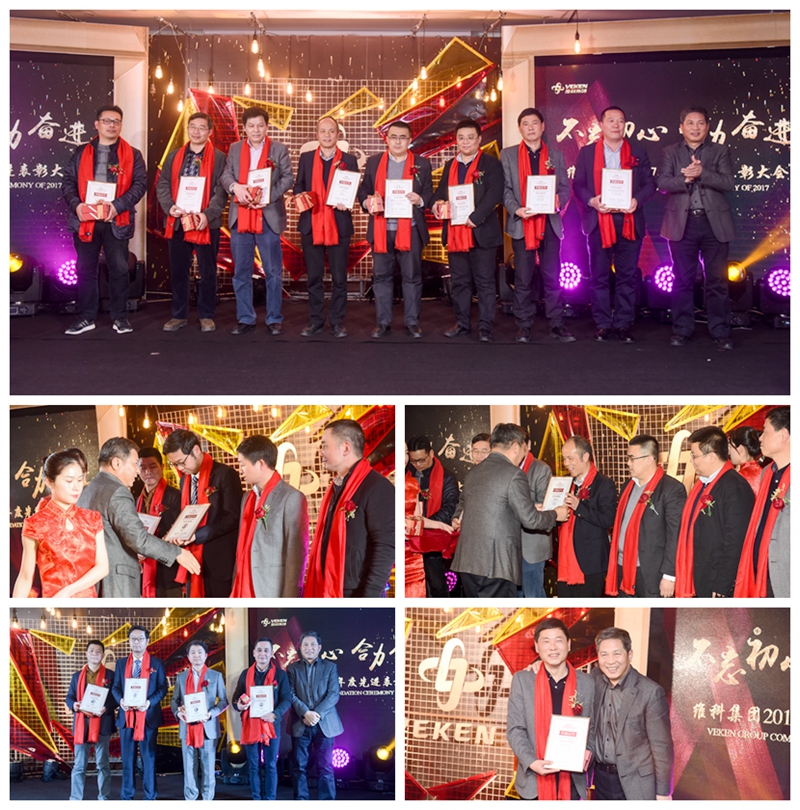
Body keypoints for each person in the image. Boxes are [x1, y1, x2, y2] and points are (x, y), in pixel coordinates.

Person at [451, 423, 567, 598]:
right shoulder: (513, 474)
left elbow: (495, 508)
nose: (523, 455)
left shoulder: (474, 472)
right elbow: (530, 520)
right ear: (515, 446)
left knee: (479, 612)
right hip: (495, 566)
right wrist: (556, 514)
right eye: (523, 449)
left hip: (467, 564)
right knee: (499, 612)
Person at [573, 106, 656, 343]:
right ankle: (602, 324)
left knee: (627, 277)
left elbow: (650, 184)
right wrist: (592, 201)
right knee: (599, 276)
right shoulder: (587, 153)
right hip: (599, 222)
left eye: (620, 121)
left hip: (629, 221)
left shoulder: (638, 151)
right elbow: (578, 184)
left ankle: (623, 324)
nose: (616, 125)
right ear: (601, 125)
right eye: (611, 120)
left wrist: (636, 200)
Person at [62, 104, 147, 335]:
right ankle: (86, 317)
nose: (112, 125)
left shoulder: (133, 154)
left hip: (116, 221)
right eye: (107, 121)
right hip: (85, 220)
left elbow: (140, 185)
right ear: (97, 124)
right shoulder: (81, 152)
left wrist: (116, 206)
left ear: (121, 125)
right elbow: (68, 182)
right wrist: (77, 205)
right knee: (85, 269)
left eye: (116, 121)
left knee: (119, 269)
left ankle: (120, 317)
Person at [77, 438, 199, 598]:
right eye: (135, 464)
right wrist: (177, 553)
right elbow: (138, 539)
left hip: (94, 579)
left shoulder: (87, 491)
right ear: (117, 463)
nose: (138, 471)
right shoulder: (117, 492)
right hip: (116, 581)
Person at [657, 106, 736, 350]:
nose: (695, 127)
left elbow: (728, 182)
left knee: (717, 280)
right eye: (690, 123)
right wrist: (686, 179)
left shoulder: (720, 151)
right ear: (681, 127)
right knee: (682, 279)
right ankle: (682, 330)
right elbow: (662, 183)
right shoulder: (670, 152)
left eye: (700, 123)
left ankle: (720, 331)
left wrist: (703, 172)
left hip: (714, 224)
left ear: (707, 127)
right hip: (683, 223)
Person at [501, 107, 575, 343]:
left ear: (543, 127)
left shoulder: (556, 155)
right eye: (525, 124)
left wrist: (558, 201)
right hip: (523, 224)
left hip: (549, 223)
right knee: (523, 278)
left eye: (535, 123)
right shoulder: (508, 155)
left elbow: (564, 188)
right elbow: (505, 189)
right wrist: (517, 209)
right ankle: (523, 325)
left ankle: (556, 323)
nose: (530, 127)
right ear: (519, 128)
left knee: (552, 276)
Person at [220, 106, 294, 335]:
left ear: (266, 126)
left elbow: (288, 178)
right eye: (251, 126)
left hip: (268, 215)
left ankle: (274, 318)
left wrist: (267, 196)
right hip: (240, 216)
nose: (256, 130)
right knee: (241, 272)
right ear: (244, 128)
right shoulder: (234, 149)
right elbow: (226, 175)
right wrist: (235, 187)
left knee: (273, 271)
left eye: (260, 125)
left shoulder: (278, 149)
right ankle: (245, 318)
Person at [357, 120, 433, 338]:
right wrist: (368, 202)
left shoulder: (422, 164)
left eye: (402, 137)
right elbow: (363, 190)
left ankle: (412, 322)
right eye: (393, 137)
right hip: (382, 229)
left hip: (411, 229)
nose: (397, 141)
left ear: (409, 140)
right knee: (381, 277)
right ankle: (383, 322)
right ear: (387, 139)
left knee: (412, 277)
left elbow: (429, 192)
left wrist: (420, 200)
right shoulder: (374, 162)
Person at [507, 617, 594, 800]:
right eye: (546, 641)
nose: (553, 647)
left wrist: (587, 753)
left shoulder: (587, 683)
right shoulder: (523, 680)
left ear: (568, 644)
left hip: (572, 782)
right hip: (533, 784)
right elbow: (515, 729)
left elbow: (593, 729)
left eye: (558, 640)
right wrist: (531, 762)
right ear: (537, 647)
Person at [304, 419, 394, 597]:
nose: (321, 452)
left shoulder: (377, 487)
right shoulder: (336, 487)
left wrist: (370, 597)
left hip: (358, 593)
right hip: (328, 588)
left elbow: (386, 546)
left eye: (325, 446)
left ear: (345, 448)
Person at [432, 119, 503, 342]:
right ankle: (462, 323)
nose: (465, 142)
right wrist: (437, 204)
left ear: (479, 139)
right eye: (461, 138)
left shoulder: (490, 164)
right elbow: (439, 193)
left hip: (481, 232)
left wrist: (476, 217)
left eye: (470, 137)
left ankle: (485, 327)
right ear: (456, 140)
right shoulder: (450, 165)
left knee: (484, 282)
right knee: (460, 282)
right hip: (456, 234)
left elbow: (495, 193)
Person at [157, 111, 228, 333]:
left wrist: (208, 214)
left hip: (206, 222)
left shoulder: (219, 158)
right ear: (188, 129)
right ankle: (179, 315)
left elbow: (221, 191)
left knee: (208, 271)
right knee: (179, 270)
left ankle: (206, 315)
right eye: (192, 127)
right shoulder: (174, 156)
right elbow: (163, 184)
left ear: (210, 132)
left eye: (201, 128)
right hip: (178, 221)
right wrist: (170, 207)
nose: (196, 131)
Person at [294, 116, 360, 338]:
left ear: (338, 134)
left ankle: (337, 321)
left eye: (331, 131)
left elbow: (353, 189)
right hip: (311, 224)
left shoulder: (349, 160)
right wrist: (301, 196)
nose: (327, 135)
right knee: (314, 277)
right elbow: (298, 185)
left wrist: (347, 201)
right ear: (317, 134)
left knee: (339, 278)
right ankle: (316, 321)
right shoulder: (306, 158)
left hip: (338, 224)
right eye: (323, 131)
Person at [591, 627, 673, 800]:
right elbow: (568, 676)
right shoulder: (595, 679)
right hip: (600, 780)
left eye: (617, 654)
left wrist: (664, 793)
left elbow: (662, 748)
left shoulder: (650, 692)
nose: (610, 661)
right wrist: (539, 664)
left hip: (636, 783)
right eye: (604, 654)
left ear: (630, 654)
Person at [14, 448, 108, 598]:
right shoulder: (35, 524)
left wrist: (68, 591)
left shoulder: (92, 519)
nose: (76, 487)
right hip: (52, 603)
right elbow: (25, 577)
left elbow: (103, 567)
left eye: (80, 480)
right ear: (49, 482)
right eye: (69, 481)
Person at [674, 426, 754, 597]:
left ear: (711, 456)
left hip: (715, 579)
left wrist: (723, 583)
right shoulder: (702, 484)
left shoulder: (734, 486)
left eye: (694, 455)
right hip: (698, 573)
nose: (691, 461)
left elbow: (735, 541)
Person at [163, 429, 243, 597]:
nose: (180, 468)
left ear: (196, 450)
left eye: (181, 462)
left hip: (219, 562)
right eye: (175, 464)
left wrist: (197, 535)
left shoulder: (225, 474)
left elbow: (233, 517)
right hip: (193, 560)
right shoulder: (185, 480)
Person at [605, 435, 687, 598]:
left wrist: (669, 575)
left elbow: (675, 536)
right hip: (622, 567)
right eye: (628, 458)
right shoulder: (628, 486)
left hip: (651, 573)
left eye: (632, 458)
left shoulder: (671, 489)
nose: (628, 463)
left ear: (649, 459)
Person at [231, 434, 308, 597]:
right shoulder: (247, 498)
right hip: (243, 587)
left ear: (260, 464)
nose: (240, 470)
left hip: (272, 589)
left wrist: (290, 600)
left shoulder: (291, 497)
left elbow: (297, 556)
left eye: (242, 465)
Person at [735, 406, 790, 598]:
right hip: (762, 572)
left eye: (765, 431)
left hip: (786, 575)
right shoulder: (767, 472)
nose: (760, 438)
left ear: (783, 435)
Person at [111, 626, 167, 801]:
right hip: (126, 717)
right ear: (129, 641)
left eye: (140, 638)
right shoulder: (121, 664)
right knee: (127, 760)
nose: (136, 642)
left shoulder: (156, 664)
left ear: (147, 641)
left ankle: (150, 796)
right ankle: (127, 796)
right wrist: (121, 701)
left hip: (148, 717)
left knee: (149, 759)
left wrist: (149, 703)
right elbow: (115, 687)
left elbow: (162, 688)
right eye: (133, 639)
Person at [286, 631, 344, 801]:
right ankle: (301, 800)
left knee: (325, 767)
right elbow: (290, 694)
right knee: (299, 767)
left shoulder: (330, 667)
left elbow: (333, 694)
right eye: (305, 645)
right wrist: (305, 713)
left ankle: (326, 801)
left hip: (325, 724)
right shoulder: (292, 669)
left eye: (313, 645)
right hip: (300, 722)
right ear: (300, 648)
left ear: (319, 647)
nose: (309, 648)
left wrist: (316, 714)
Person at [233, 637, 292, 801]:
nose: (262, 653)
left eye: (266, 650)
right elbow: (235, 699)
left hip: (271, 725)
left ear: (271, 653)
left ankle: (270, 799)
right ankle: (256, 799)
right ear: (254, 653)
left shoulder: (280, 675)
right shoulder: (245, 674)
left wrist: (274, 714)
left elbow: (286, 699)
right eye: (259, 650)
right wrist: (240, 705)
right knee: (253, 766)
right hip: (251, 725)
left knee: (271, 765)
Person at [557, 436, 616, 598]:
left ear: (585, 457)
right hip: (565, 560)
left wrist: (579, 508)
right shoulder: (565, 482)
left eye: (570, 458)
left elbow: (608, 519)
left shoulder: (604, 484)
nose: (566, 463)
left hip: (591, 562)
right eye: (564, 459)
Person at [170, 640, 228, 801]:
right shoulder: (181, 677)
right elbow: (174, 700)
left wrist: (210, 713)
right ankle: (191, 798)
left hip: (207, 727)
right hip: (187, 727)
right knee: (189, 767)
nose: (196, 655)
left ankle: (207, 799)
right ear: (188, 657)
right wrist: (178, 712)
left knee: (208, 767)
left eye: (200, 652)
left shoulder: (215, 676)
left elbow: (224, 701)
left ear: (206, 655)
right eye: (193, 653)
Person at [406, 435, 459, 597]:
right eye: (413, 461)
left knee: (436, 585)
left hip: (433, 542)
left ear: (431, 454)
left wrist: (425, 526)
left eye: (421, 460)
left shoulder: (446, 477)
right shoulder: (406, 475)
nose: (417, 465)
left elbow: (449, 508)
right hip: (410, 542)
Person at [65, 640, 116, 801]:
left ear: (103, 655)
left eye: (98, 651)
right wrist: (74, 705)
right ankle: (75, 798)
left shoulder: (110, 676)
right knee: (79, 766)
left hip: (102, 724)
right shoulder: (76, 676)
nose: (95, 654)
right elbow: (69, 697)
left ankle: (104, 798)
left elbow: (116, 698)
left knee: (103, 765)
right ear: (86, 654)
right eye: (91, 651)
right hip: (82, 725)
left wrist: (106, 707)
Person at [135, 448, 182, 598]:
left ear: (162, 467)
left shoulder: (175, 496)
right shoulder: (138, 500)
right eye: (143, 468)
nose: (148, 472)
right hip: (145, 568)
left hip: (168, 569)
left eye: (153, 466)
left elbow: (180, 532)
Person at [520, 434, 555, 598]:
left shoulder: (541, 469)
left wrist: (525, 507)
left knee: (534, 596)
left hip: (532, 544)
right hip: (510, 545)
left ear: (528, 445)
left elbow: (545, 505)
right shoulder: (506, 469)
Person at [727, 425, 765, 495]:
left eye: (731, 447)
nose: (729, 452)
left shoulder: (740, 477)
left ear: (741, 449)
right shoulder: (762, 471)